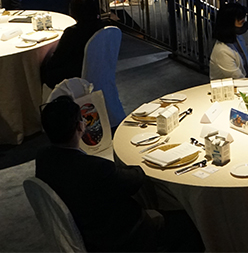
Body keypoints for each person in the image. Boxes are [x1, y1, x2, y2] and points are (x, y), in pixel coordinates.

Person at [36, 96, 162, 252]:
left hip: (80, 226)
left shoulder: (42, 158)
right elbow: (134, 181)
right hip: (112, 237)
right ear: (80, 127)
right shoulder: (95, 168)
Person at [40, 0, 105, 89]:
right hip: (96, 70)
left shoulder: (73, 33)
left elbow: (56, 61)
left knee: (40, 69)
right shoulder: (102, 28)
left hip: (73, 75)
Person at [209, 3, 248, 79]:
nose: (243, 21)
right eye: (240, 20)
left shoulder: (238, 37)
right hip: (229, 87)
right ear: (229, 23)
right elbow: (237, 77)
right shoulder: (222, 51)